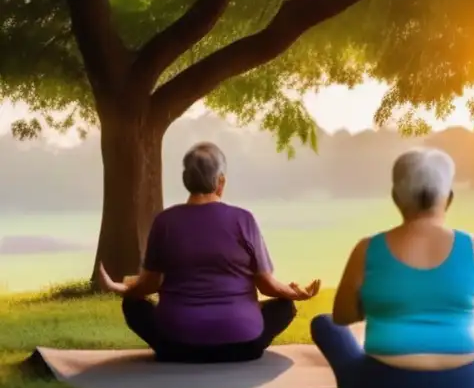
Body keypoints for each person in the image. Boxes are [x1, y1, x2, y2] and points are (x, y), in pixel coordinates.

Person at [311, 147, 474, 388]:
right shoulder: (473, 246)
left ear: (396, 197)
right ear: (450, 198)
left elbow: (343, 316)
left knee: (325, 324)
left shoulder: (367, 249)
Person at [96, 142, 320, 363]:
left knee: (132, 304)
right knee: (284, 306)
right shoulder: (244, 220)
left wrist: (122, 287)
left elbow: (149, 285)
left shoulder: (164, 222)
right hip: (243, 347)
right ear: (220, 181)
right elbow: (266, 285)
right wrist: (294, 294)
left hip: (176, 347)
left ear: (187, 181)